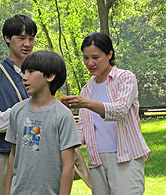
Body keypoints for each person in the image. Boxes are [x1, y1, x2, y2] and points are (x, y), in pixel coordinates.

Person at [61, 32, 151, 195]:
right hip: (96, 161)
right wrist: (67, 143)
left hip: (126, 158)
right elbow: (83, 127)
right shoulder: (86, 89)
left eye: (95, 57)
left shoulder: (125, 78)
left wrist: (84, 103)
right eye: (86, 58)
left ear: (109, 54)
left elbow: (120, 110)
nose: (90, 63)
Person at [5, 50, 82, 195]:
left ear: (50, 76)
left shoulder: (63, 115)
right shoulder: (17, 111)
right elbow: (13, 156)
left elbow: (68, 165)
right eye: (23, 72)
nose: (24, 77)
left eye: (31, 72)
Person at [0, 14, 37, 195]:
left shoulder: (41, 72)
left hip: (39, 153)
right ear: (7, 38)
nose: (27, 44)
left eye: (31, 38)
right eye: (21, 38)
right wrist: (19, 114)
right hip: (7, 153)